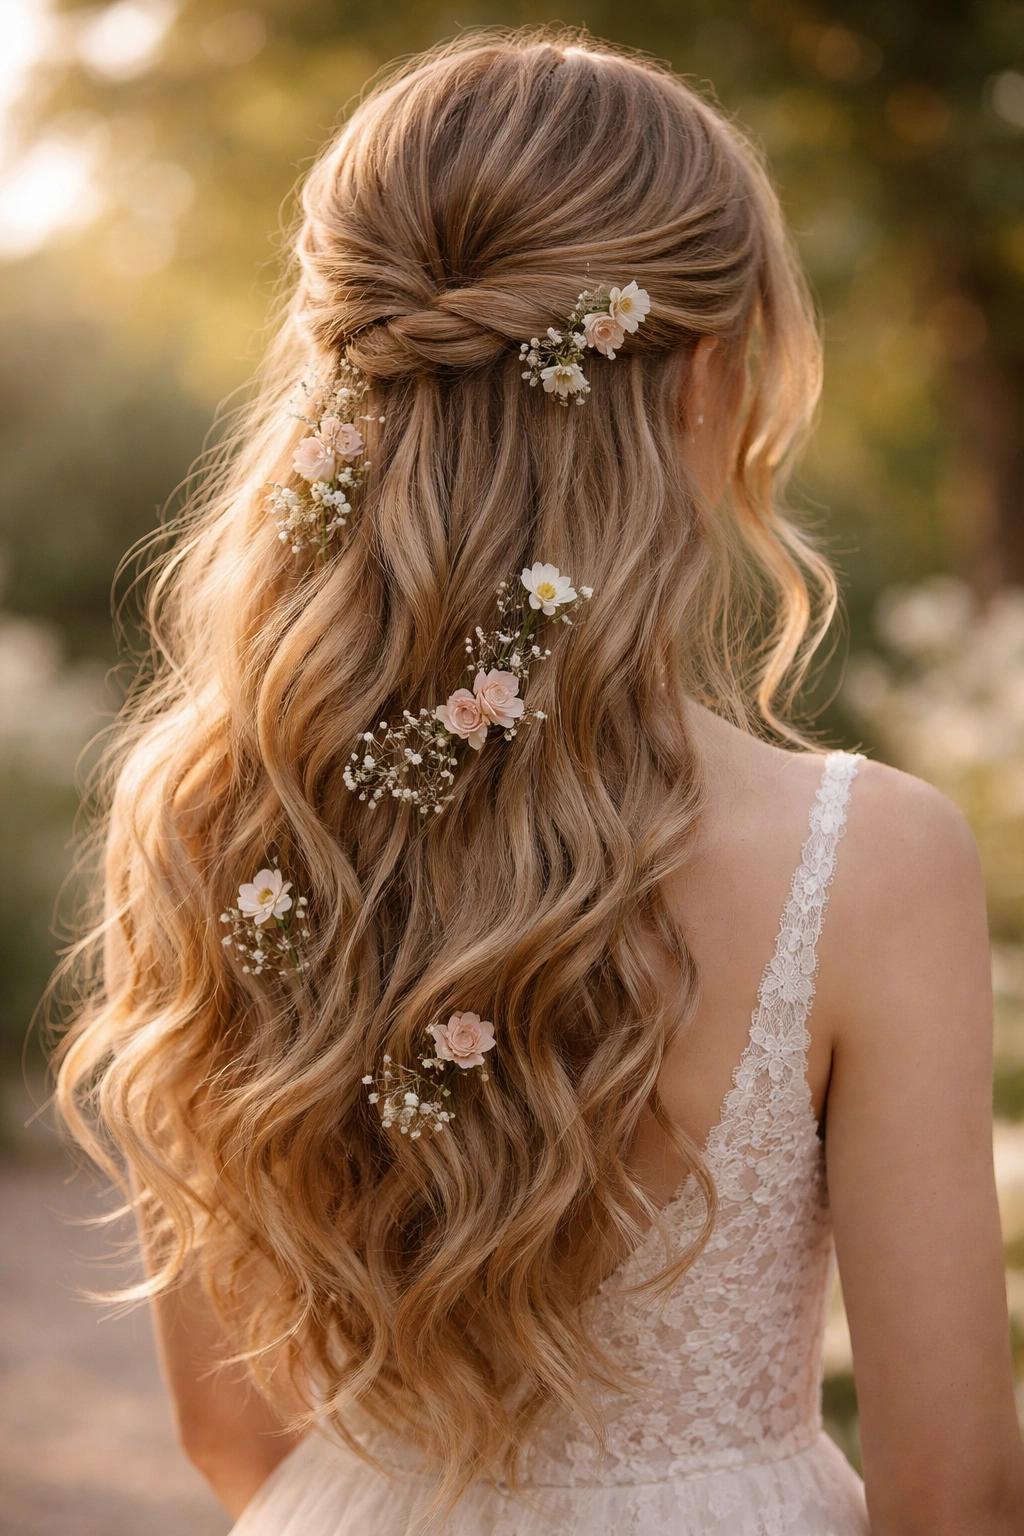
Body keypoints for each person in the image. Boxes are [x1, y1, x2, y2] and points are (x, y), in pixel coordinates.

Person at [55, 31, 1024, 1536]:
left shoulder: (201, 817)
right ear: (712, 378)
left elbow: (229, 1428)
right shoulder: (870, 856)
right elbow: (953, 1496)